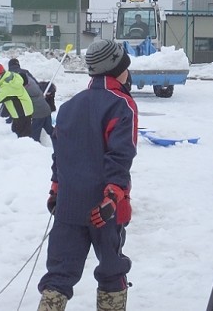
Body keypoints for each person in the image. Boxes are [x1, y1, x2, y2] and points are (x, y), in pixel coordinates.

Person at [37, 39, 138, 311]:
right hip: (104, 207)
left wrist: (56, 190)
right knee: (111, 271)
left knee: (58, 276)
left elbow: (60, 155)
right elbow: (120, 155)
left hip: (68, 205)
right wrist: (112, 196)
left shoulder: (70, 107)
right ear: (118, 69)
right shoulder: (121, 104)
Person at [0, 62, 33, 138]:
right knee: (15, 130)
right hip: (22, 110)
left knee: (23, 136)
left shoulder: (8, 87)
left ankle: (24, 149)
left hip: (22, 113)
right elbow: (0, 85)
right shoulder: (9, 76)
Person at [8, 58, 54, 142]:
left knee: (33, 139)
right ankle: (63, 140)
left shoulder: (14, 81)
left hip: (37, 114)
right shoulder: (28, 77)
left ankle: (36, 153)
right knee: (51, 130)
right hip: (46, 109)